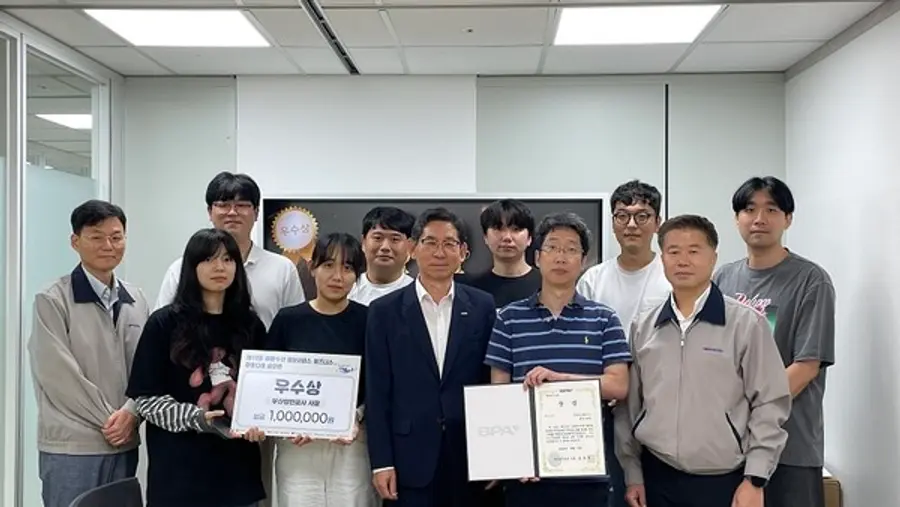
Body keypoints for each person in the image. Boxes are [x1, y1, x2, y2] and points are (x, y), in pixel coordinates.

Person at [615, 214, 791, 507]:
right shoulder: (644, 325)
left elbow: (770, 402)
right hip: (656, 476)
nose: (683, 261)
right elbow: (629, 405)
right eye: (674, 252)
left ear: (713, 258)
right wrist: (633, 473)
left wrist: (755, 478)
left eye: (694, 251)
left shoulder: (746, 324)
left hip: (724, 480)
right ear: (662, 259)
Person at [484, 212, 630, 507]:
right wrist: (514, 457)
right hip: (528, 473)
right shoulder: (509, 318)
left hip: (587, 469)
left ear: (583, 260)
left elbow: (618, 385)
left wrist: (560, 380)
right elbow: (499, 395)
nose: (561, 257)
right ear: (538, 257)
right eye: (552, 247)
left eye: (571, 249)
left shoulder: (604, 318)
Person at [713, 176, 835, 507]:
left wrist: (751, 411)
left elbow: (806, 366)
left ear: (788, 219)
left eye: (771, 209)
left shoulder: (811, 280)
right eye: (749, 209)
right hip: (730, 446)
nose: (759, 219)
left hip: (790, 448)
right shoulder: (723, 278)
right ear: (737, 218)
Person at [365, 207, 497, 507]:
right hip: (407, 458)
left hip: (469, 455)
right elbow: (377, 391)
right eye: (430, 242)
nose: (440, 252)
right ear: (413, 248)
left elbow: (491, 382)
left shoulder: (482, 306)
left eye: (449, 243)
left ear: (463, 252)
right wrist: (381, 462)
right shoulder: (383, 312)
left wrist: (494, 455)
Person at [127, 228, 268, 507]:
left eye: (228, 259)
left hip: (238, 476)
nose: (220, 267)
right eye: (209, 259)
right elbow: (146, 400)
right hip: (179, 476)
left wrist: (261, 422)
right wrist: (196, 418)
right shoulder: (163, 323)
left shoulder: (250, 325)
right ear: (192, 267)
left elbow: (265, 392)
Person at [27, 200, 149, 507]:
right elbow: (57, 376)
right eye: (96, 237)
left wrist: (131, 413)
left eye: (116, 237)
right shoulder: (52, 299)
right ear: (75, 241)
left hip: (124, 443)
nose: (108, 245)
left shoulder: (136, 299)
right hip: (73, 447)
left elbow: (147, 368)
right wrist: (113, 421)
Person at [264, 232, 377, 507]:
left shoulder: (369, 320)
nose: (337, 276)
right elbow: (269, 383)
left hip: (352, 444)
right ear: (312, 267)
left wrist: (355, 417)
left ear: (357, 275)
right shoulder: (288, 320)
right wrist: (286, 424)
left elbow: (378, 382)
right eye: (328, 265)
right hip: (297, 446)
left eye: (347, 268)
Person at [576, 180, 671, 507]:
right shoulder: (593, 280)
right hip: (606, 410)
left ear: (657, 223)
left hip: (661, 407)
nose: (631, 224)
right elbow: (583, 345)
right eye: (622, 216)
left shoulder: (672, 276)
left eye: (642, 216)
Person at [155, 171, 304, 328]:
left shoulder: (282, 269)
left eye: (242, 205)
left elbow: (297, 328)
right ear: (210, 212)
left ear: (256, 213)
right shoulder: (181, 268)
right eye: (223, 205)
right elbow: (162, 325)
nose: (232, 212)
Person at [467, 199, 542, 309]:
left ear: (529, 238)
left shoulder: (547, 285)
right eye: (498, 228)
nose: (507, 237)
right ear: (485, 237)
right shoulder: (472, 290)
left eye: (516, 229)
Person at [348, 206, 416, 305]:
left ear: (410, 246)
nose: (385, 247)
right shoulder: (347, 290)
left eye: (395, 239)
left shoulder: (418, 294)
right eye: (378, 238)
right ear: (363, 242)